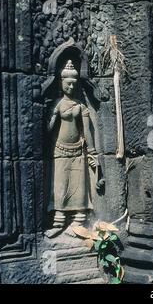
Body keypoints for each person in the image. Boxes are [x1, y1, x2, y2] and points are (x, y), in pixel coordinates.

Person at [46, 60, 97, 238]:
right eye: (68, 82)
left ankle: (78, 221)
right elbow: (48, 129)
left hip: (78, 151)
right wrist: (52, 114)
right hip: (59, 150)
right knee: (60, 186)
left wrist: (92, 152)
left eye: (74, 83)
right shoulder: (59, 105)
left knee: (79, 187)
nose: (71, 85)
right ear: (61, 82)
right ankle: (59, 221)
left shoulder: (80, 106)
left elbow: (87, 132)